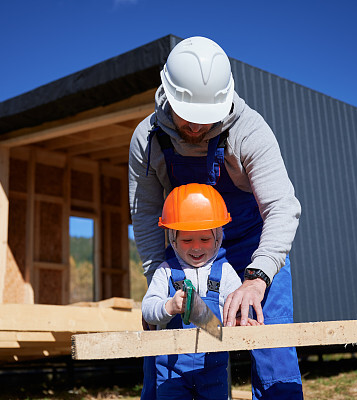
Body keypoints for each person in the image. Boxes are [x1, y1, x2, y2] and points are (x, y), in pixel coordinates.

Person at [129, 36, 303, 399]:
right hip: (186, 250)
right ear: (168, 96)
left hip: (254, 248)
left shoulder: (250, 130)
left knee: (274, 351)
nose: (196, 129)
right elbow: (144, 213)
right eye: (188, 118)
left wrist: (257, 277)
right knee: (169, 349)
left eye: (206, 121)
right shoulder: (146, 139)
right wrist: (157, 279)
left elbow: (282, 207)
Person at [142, 183, 258, 399]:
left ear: (218, 237)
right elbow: (148, 310)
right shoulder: (165, 272)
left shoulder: (225, 272)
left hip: (212, 369)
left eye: (204, 239)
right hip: (170, 372)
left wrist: (243, 317)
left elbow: (236, 304)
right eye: (187, 240)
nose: (196, 247)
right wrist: (168, 306)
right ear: (173, 239)